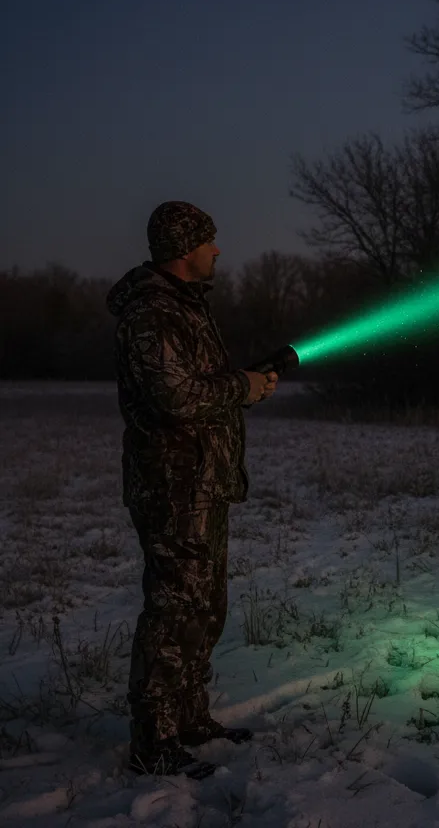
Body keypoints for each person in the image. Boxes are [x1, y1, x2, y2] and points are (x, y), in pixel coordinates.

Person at [107, 201, 279, 778]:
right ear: (185, 250)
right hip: (173, 488)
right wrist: (242, 386)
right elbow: (174, 398)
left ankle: (188, 718)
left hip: (204, 483)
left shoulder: (187, 308)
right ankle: (153, 740)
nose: (217, 250)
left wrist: (245, 386)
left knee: (205, 604)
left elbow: (198, 387)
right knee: (174, 607)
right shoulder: (152, 313)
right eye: (209, 241)